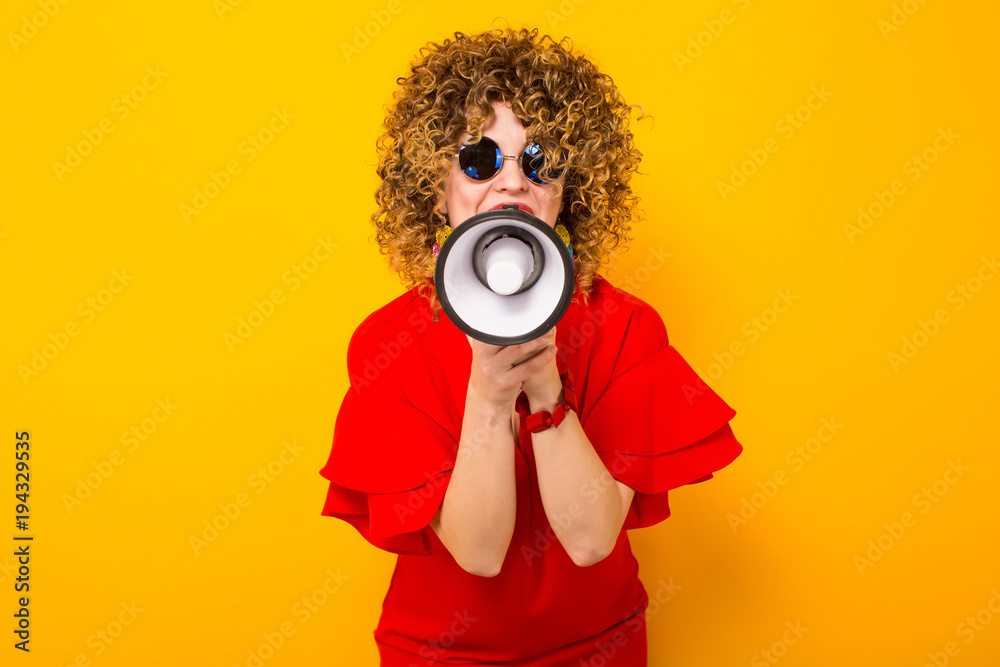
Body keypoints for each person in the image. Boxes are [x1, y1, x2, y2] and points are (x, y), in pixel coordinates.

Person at [319, 27, 744, 666]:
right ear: (436, 189)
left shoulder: (626, 328)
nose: (513, 185)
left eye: (540, 162)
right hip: (441, 655)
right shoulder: (387, 344)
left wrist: (546, 393)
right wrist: (489, 397)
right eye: (479, 160)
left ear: (567, 191)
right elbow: (480, 552)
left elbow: (591, 538)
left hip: (600, 649)